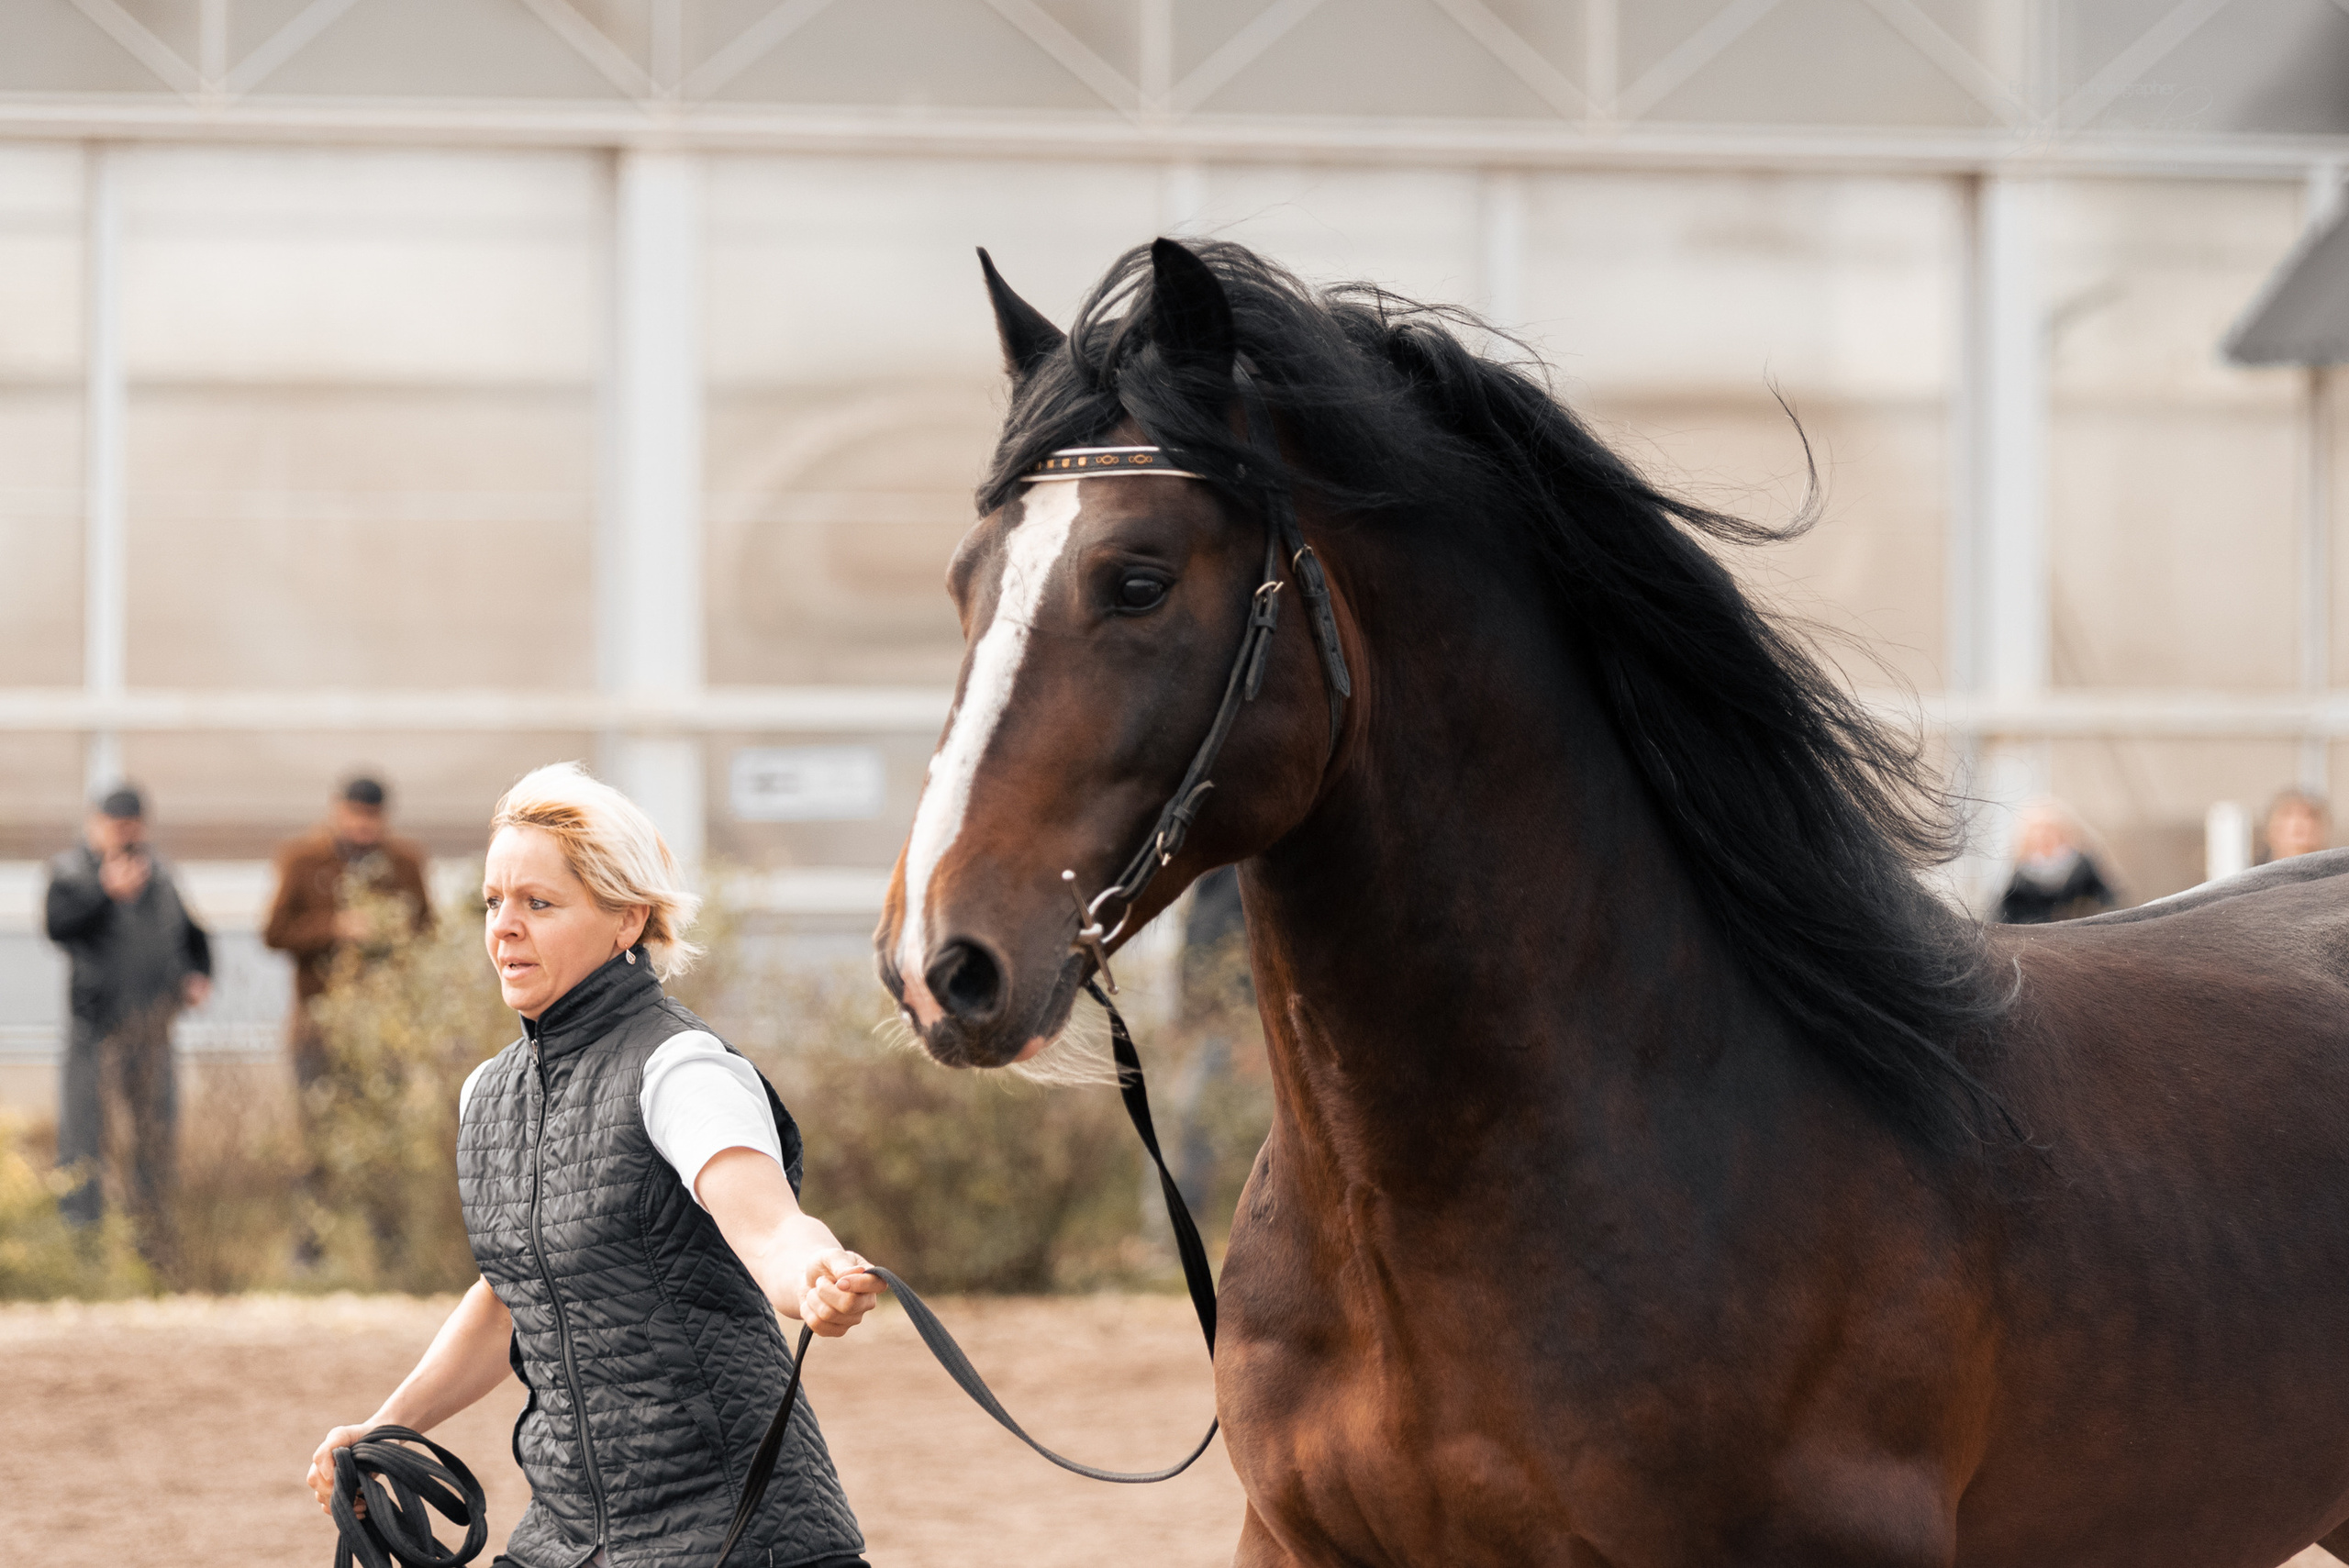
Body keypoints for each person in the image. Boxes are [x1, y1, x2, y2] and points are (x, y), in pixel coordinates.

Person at [306, 762, 878, 1568]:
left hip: (739, 1536)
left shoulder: (682, 1068)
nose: (504, 926)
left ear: (626, 920)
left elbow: (771, 1227)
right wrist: (384, 1427)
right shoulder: (487, 1094)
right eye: (493, 901)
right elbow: (512, 1297)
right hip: (568, 1540)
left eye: (539, 903)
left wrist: (815, 1274)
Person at [41, 785, 212, 1250]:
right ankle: (82, 1241)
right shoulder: (72, 874)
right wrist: (106, 892)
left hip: (153, 1027)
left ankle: (153, 1237)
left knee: (154, 1133)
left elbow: (194, 935)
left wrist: (200, 974)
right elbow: (58, 926)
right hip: (96, 1028)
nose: (126, 836)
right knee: (84, 1135)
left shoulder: (161, 875)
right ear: (95, 825)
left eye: (133, 826)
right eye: (116, 826)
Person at [262, 774, 433, 1090]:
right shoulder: (303, 860)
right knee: (320, 1119)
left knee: (384, 1114)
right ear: (337, 811)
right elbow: (275, 933)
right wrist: (336, 927)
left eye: (371, 816)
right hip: (317, 1017)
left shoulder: (405, 864)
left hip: (386, 1019)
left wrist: (390, 930)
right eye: (355, 814)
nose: (362, 824)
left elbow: (428, 931)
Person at [1996, 799, 2118, 925]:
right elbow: (2003, 919)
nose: (2043, 835)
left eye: (2049, 828)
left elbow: (2110, 905)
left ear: (2062, 831)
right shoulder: (2018, 880)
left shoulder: (2085, 869)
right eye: (2037, 829)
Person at [2264, 788, 2332, 862]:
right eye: (2288, 814)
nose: (2300, 823)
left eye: (2311, 815)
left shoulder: (2341, 871)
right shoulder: (2254, 871)